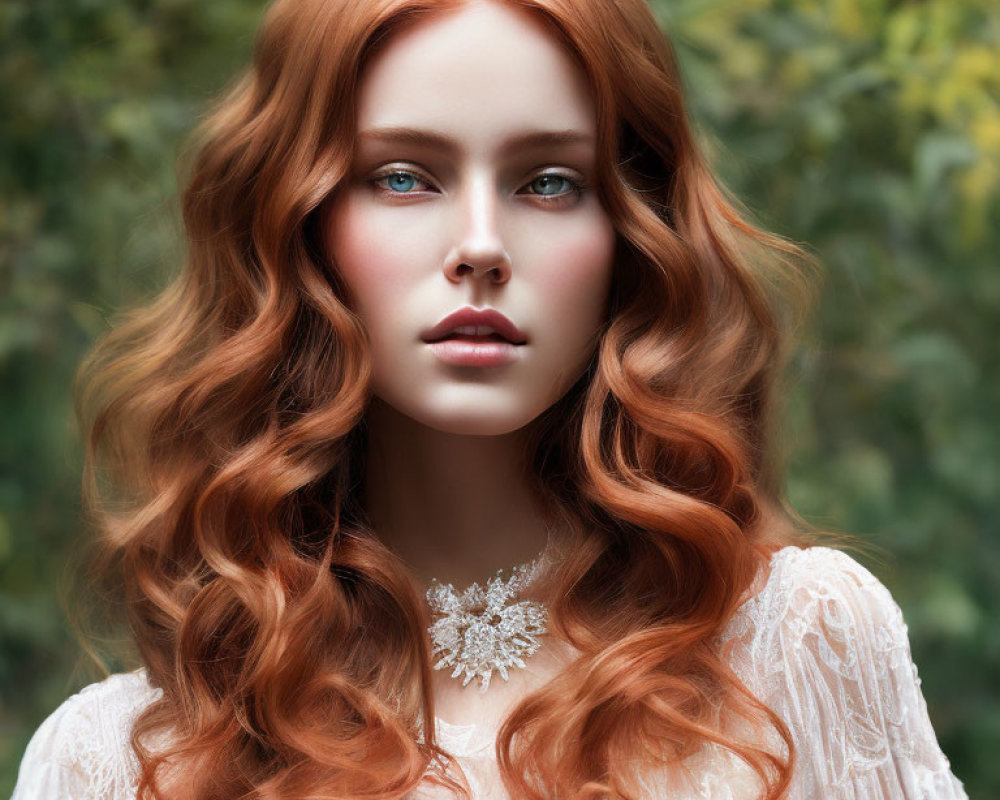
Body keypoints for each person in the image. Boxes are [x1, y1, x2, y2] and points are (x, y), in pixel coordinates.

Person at [12, 0, 968, 798]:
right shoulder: (117, 763)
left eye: (550, 182)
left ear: (635, 236)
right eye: (402, 176)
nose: (481, 245)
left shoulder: (800, 650)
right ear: (296, 226)